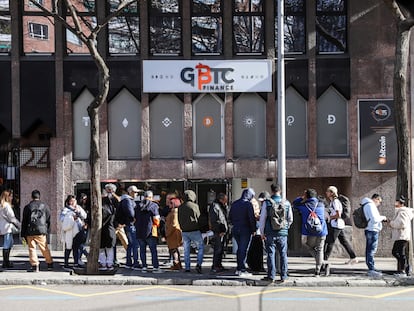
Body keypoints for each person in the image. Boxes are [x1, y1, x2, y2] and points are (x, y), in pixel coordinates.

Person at [259, 185, 293, 283]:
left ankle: (271, 276)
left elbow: (263, 219)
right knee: (283, 254)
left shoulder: (267, 203)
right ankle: (284, 276)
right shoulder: (286, 203)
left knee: (270, 253)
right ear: (280, 191)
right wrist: (285, 228)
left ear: (272, 191)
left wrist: (262, 232)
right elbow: (290, 219)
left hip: (270, 233)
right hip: (283, 233)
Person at [323, 186, 357, 276]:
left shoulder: (335, 202)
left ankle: (324, 261)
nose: (326, 193)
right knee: (343, 241)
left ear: (332, 193)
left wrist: (330, 217)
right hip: (337, 224)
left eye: (328, 191)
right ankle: (353, 257)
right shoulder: (332, 202)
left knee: (330, 242)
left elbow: (338, 214)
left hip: (336, 225)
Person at [293, 188, 328, 277]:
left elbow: (294, 203)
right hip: (322, 230)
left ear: (306, 196)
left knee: (307, 245)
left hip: (310, 232)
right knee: (320, 249)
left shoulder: (304, 206)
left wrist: (302, 197)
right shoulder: (321, 204)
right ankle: (318, 269)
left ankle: (321, 263)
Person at [21, 190, 54, 272]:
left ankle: (35, 265)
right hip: (41, 230)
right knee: (44, 247)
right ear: (39, 196)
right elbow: (48, 219)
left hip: (30, 230)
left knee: (32, 248)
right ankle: (49, 263)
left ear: (31, 197)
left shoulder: (28, 206)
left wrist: (23, 233)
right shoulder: (45, 206)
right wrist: (47, 230)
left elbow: (24, 221)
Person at [229, 188, 257, 277]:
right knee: (243, 249)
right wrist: (254, 229)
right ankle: (242, 269)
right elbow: (251, 218)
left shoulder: (235, 203)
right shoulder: (248, 204)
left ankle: (238, 268)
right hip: (245, 229)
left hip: (236, 229)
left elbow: (230, 217)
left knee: (239, 249)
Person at [135, 190, 163, 273]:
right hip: (150, 231)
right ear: (151, 197)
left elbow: (134, 218)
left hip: (139, 231)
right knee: (153, 250)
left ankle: (144, 266)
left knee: (142, 250)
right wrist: (157, 226)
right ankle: (155, 267)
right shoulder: (154, 205)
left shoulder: (137, 206)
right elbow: (156, 219)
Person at [178, 190, 204, 274]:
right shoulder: (194, 206)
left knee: (186, 250)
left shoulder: (180, 207)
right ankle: (198, 264)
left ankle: (187, 267)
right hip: (194, 230)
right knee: (200, 247)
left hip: (185, 231)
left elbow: (179, 219)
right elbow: (198, 217)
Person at [361, 193, 386, 277]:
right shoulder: (370, 205)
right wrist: (383, 217)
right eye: (379, 201)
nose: (379, 204)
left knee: (369, 249)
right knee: (371, 250)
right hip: (372, 229)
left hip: (369, 229)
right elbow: (375, 219)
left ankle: (371, 267)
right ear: (376, 199)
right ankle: (371, 269)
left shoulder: (366, 204)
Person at [60, 194, 87, 268]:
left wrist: (79, 212)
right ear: (68, 202)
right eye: (71, 201)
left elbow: (84, 216)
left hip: (78, 230)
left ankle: (76, 262)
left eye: (74, 201)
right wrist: (71, 218)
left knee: (76, 247)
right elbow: (62, 219)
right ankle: (66, 263)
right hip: (69, 231)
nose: (72, 202)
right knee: (68, 247)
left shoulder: (79, 208)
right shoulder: (65, 210)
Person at [118, 185, 141, 269]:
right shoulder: (128, 200)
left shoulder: (125, 200)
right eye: (135, 192)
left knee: (131, 244)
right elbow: (130, 212)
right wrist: (134, 219)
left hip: (128, 224)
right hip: (131, 224)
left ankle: (129, 262)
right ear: (131, 192)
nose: (137, 194)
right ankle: (135, 262)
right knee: (135, 244)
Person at [389, 195, 413, 277]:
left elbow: (402, 224)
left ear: (400, 203)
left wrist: (391, 223)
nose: (394, 203)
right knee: (397, 252)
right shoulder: (400, 211)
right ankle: (405, 269)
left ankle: (404, 270)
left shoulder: (403, 212)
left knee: (398, 253)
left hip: (402, 236)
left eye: (396, 202)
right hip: (401, 236)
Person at [208, 193, 229, 273]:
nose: (226, 202)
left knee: (220, 249)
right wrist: (220, 230)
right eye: (225, 200)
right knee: (218, 249)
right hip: (218, 231)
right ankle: (215, 266)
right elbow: (215, 220)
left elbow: (225, 217)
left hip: (222, 231)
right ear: (221, 199)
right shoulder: (215, 206)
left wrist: (225, 207)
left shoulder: (221, 206)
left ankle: (219, 265)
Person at [0, 189, 20, 269]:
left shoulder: (1, 205)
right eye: (11, 196)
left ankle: (6, 262)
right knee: (7, 244)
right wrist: (19, 224)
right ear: (7, 197)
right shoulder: (7, 206)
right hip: (7, 227)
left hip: (3, 226)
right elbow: (12, 218)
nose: (12, 198)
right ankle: (6, 262)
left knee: (8, 243)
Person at [98, 188, 117, 271]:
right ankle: (109, 263)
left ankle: (103, 263)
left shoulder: (100, 203)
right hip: (110, 227)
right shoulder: (112, 204)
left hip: (101, 228)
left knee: (102, 247)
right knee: (109, 247)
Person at [165, 196, 183, 271]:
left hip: (173, 233)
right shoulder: (173, 211)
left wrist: (168, 233)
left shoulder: (175, 212)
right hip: (172, 233)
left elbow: (174, 224)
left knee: (174, 249)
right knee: (173, 249)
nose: (169, 205)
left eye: (170, 203)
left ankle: (176, 264)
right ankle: (176, 264)